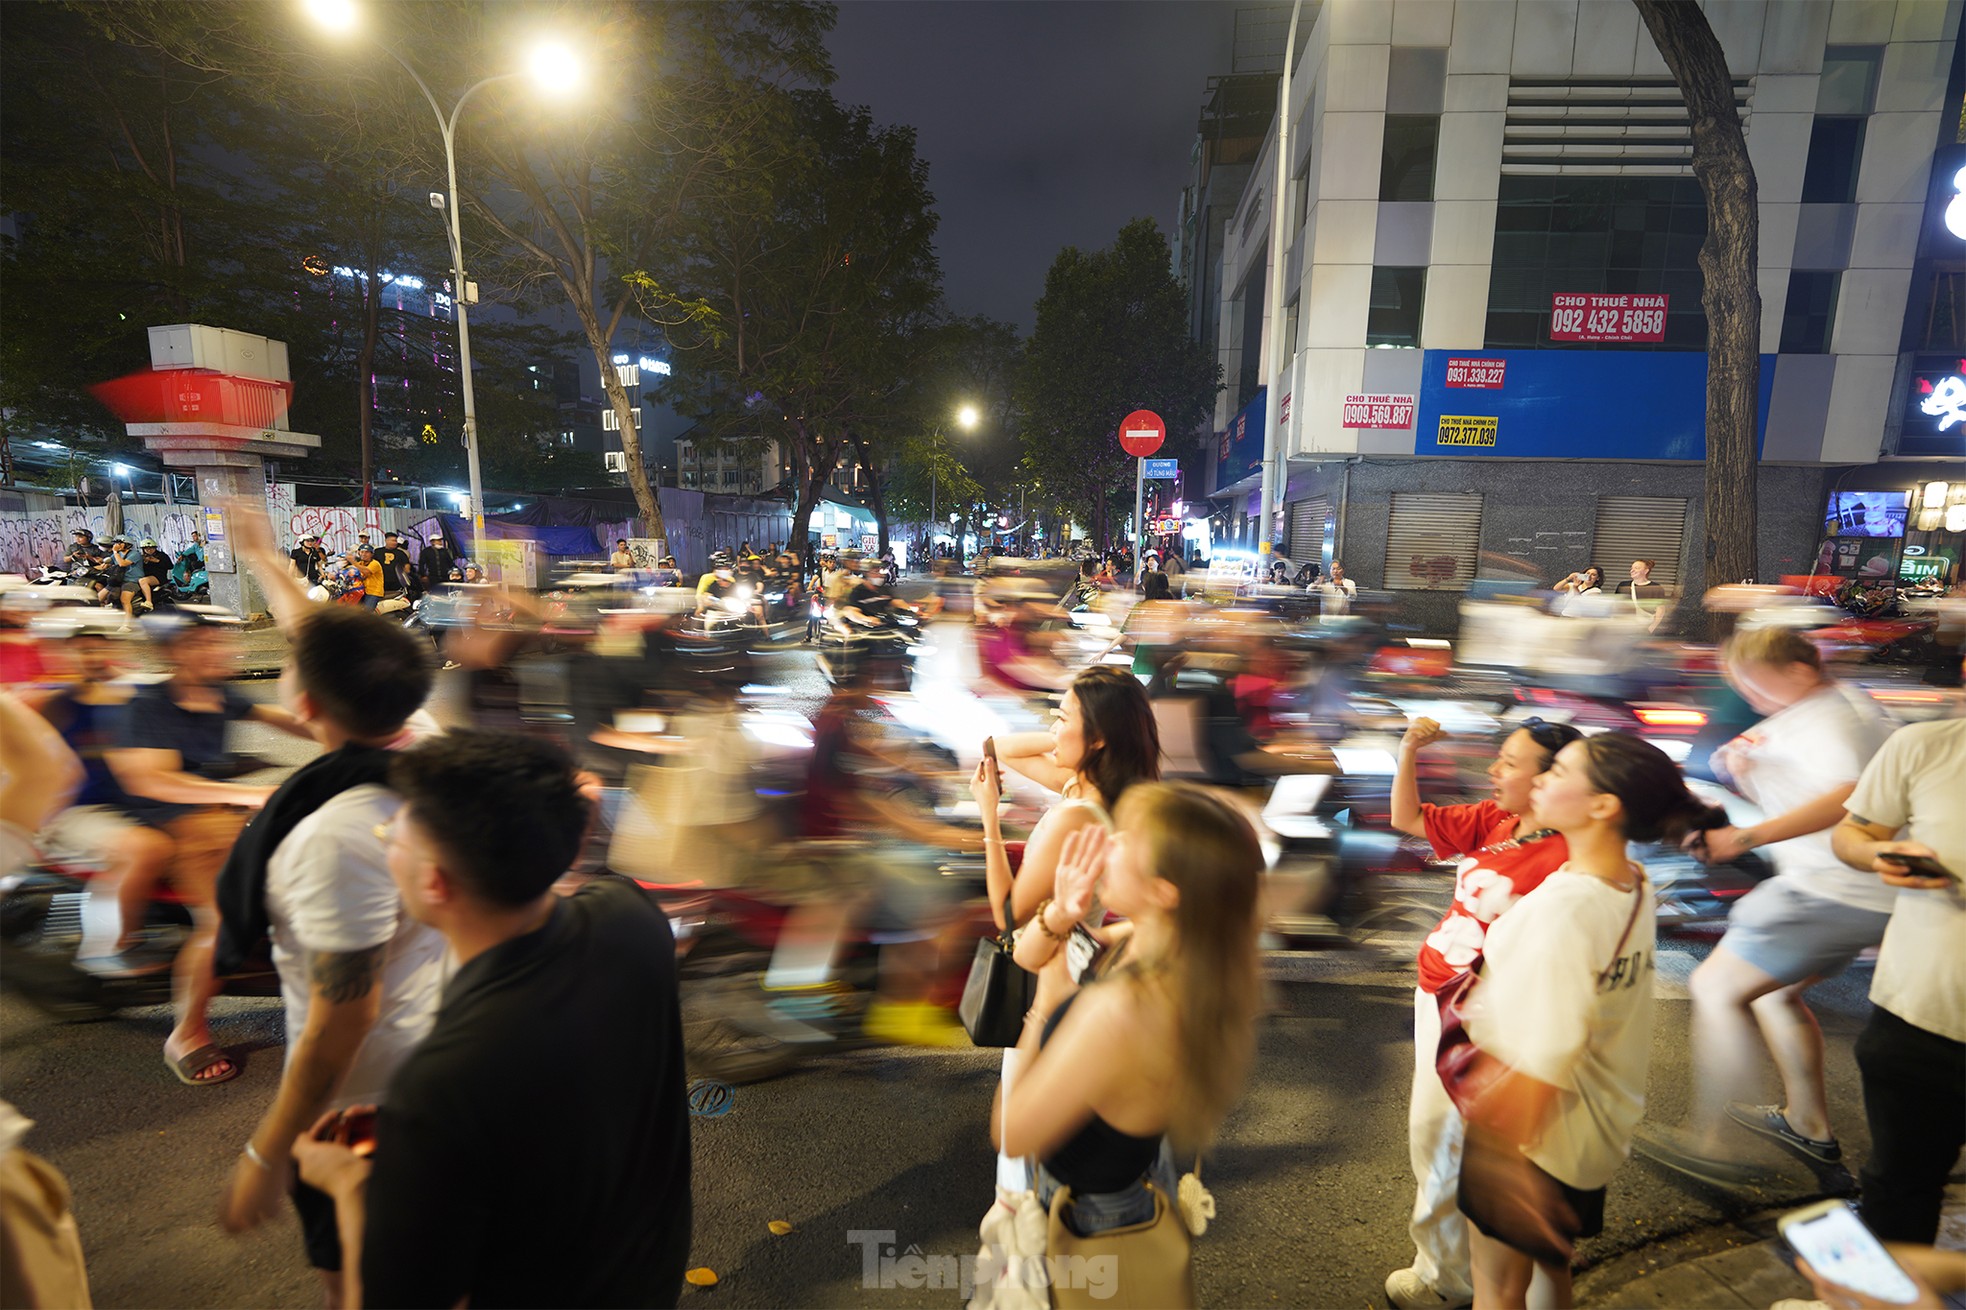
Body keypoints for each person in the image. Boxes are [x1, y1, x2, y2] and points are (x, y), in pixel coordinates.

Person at [292, 732, 692, 1308]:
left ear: (434, 881)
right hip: (647, 1271)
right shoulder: (628, 911)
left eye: (393, 836)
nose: (386, 846)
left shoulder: (443, 1079)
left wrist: (345, 1181)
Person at [210, 501, 442, 1302]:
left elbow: (344, 1015)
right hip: (450, 1060)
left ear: (305, 707)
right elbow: (325, 637)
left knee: (364, 1286)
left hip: (371, 1102)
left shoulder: (338, 837)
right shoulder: (427, 749)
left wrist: (266, 1152)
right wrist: (266, 558)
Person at [1456, 734, 1723, 1309]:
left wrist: (1504, 1153)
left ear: (1604, 805)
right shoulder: (1632, 881)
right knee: (1551, 1269)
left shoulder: (1568, 907)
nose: (1544, 779)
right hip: (1592, 1124)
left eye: (1561, 771)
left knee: (1497, 1290)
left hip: (1529, 1129)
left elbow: (1550, 1046)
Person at [1642, 628, 1893, 1184]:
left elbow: (1849, 798)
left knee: (1716, 988)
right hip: (1843, 886)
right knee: (1775, 994)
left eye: (1753, 681)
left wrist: (1744, 840)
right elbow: (1811, 792)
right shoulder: (1823, 707)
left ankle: (1714, 1145)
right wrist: (1748, 777)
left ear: (1800, 672)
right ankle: (1807, 1125)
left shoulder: (1832, 716)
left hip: (1828, 888)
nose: (1744, 692)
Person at [996, 784, 1263, 1303]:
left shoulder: (1122, 1010)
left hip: (1091, 1221)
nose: (1106, 843)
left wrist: (1048, 1006)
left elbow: (1012, 1131)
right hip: (1126, 1187)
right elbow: (1027, 955)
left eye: (1125, 840)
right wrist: (1060, 914)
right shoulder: (1167, 951)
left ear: (1165, 890)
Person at [1383, 714, 1583, 1310]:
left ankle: (1447, 1279)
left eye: (1511, 764)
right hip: (1437, 993)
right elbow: (1408, 820)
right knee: (1436, 1136)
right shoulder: (1500, 819)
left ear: (1555, 778)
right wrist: (1408, 750)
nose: (1493, 770)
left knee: (1447, 1139)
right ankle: (1452, 1269)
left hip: (1483, 1016)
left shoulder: (1571, 856)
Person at [970, 666, 1162, 1190]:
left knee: (1023, 1152)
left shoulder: (1072, 816)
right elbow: (999, 746)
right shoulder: (1107, 792)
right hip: (1084, 972)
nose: (1051, 728)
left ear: (1098, 737)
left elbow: (1008, 916)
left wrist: (990, 819)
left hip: (1047, 980)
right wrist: (1070, 725)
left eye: (1062, 718)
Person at [106, 609, 315, 1086]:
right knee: (222, 918)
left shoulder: (219, 693)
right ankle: (187, 1031)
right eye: (198, 643)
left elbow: (290, 722)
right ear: (172, 653)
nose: (215, 650)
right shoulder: (149, 703)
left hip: (222, 814)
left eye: (216, 641)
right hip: (177, 822)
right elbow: (150, 779)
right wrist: (242, 794)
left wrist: (368, 732)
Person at [1830, 717, 1966, 1245]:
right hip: (1916, 1014)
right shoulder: (1923, 745)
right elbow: (1854, 833)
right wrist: (1878, 853)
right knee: (1897, 1185)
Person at [120, 539, 172, 616]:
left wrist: (157, 561)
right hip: (144, 577)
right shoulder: (141, 557)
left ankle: (148, 602)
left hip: (158, 577)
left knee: (143, 581)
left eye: (151, 548)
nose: (149, 550)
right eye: (146, 548)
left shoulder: (162, 555)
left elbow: (170, 566)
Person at [374, 533, 413, 600]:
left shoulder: (401, 553)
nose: (395, 543)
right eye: (392, 540)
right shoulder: (377, 552)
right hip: (381, 581)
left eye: (395, 541)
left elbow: (407, 566)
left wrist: (406, 573)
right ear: (386, 540)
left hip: (396, 582)